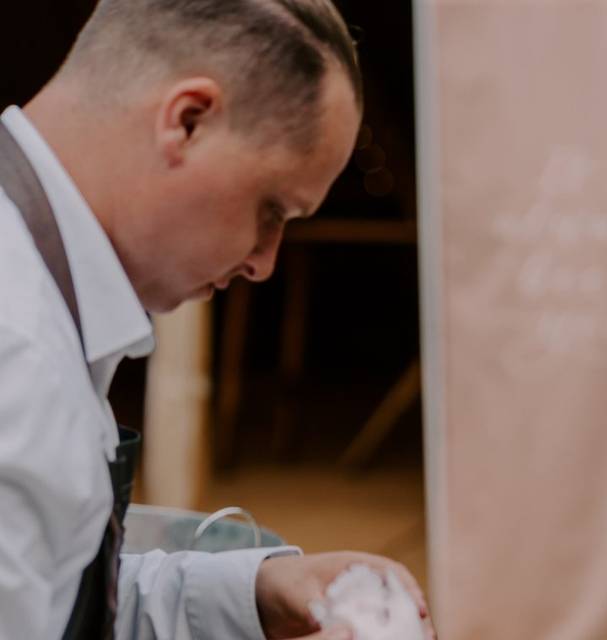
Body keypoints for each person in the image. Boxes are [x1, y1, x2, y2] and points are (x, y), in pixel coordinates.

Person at [0, 0, 434, 638]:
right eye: (271, 210)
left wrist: (254, 590)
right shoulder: (18, 352)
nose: (264, 263)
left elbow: (53, 593)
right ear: (188, 121)